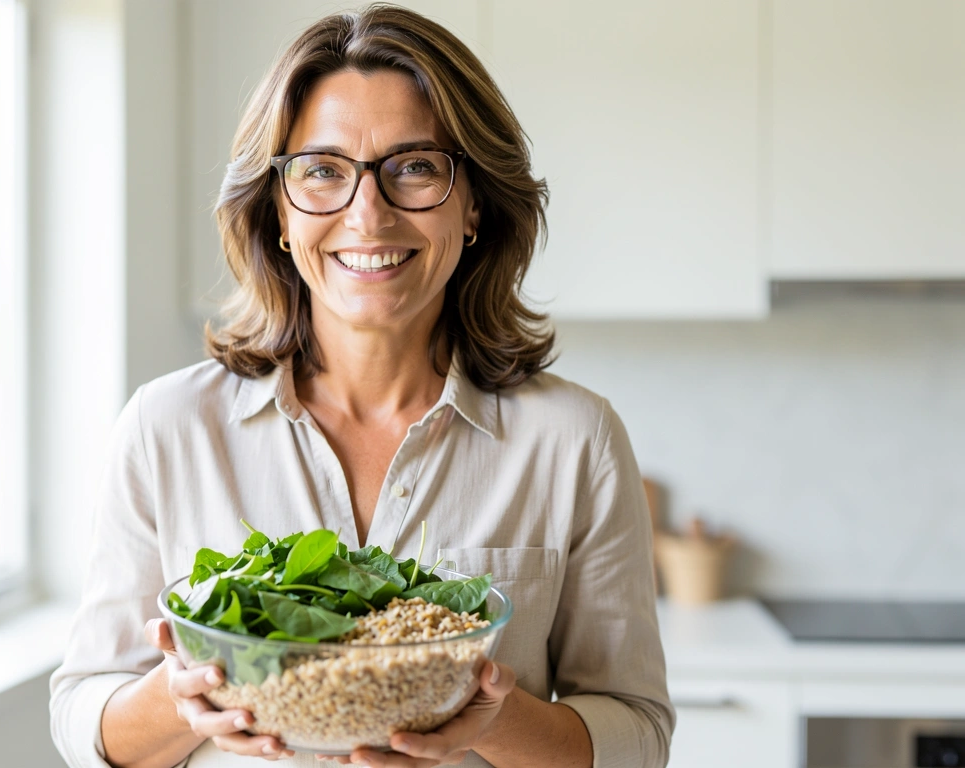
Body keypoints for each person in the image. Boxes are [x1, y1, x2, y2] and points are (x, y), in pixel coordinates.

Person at [49, 5, 674, 767]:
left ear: (473, 201)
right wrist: (183, 698)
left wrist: (485, 713)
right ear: (278, 210)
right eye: (322, 171)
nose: (367, 215)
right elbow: (85, 719)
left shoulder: (575, 440)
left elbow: (636, 735)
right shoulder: (168, 427)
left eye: (414, 167)